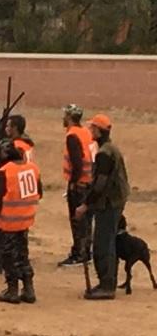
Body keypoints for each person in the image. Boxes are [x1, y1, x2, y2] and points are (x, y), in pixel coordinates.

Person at [77, 114, 130, 300]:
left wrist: (85, 204)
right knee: (107, 242)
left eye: (93, 128)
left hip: (109, 203)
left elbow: (100, 184)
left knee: (103, 243)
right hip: (113, 201)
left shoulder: (104, 154)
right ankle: (108, 282)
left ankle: (107, 286)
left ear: (99, 131)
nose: (90, 131)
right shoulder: (110, 149)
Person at [0, 142, 42, 304]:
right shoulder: (33, 168)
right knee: (23, 254)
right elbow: (39, 192)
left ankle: (12, 290)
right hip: (26, 220)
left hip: (8, 222)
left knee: (8, 255)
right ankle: (28, 288)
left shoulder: (4, 172)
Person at [59, 104, 95, 267]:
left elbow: (77, 162)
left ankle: (79, 254)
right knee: (86, 219)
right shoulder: (86, 133)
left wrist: (73, 183)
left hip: (79, 184)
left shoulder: (72, 136)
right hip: (89, 181)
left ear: (69, 117)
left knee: (77, 219)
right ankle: (86, 251)